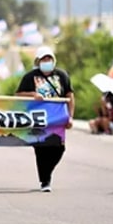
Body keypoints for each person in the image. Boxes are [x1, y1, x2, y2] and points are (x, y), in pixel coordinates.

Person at [15, 45, 74, 192]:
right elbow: (18, 95)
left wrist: (70, 116)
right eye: (43, 59)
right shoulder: (30, 77)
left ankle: (48, 172)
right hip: (38, 120)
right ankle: (45, 181)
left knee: (59, 149)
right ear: (38, 61)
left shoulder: (62, 76)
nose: (47, 61)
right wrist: (32, 96)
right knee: (41, 150)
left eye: (49, 58)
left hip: (57, 119)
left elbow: (69, 96)